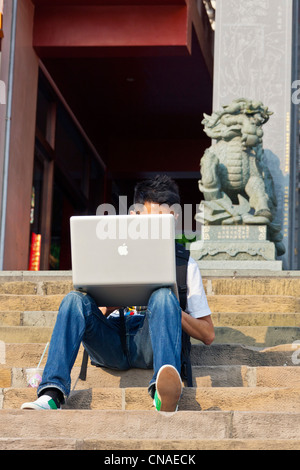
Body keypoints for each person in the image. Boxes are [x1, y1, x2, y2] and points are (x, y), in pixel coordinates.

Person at [21, 175, 214, 412]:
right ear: (134, 217)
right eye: (151, 222)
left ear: (174, 219)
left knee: (164, 296)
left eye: (163, 222)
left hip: (152, 345)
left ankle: (163, 394)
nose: (156, 229)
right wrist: (114, 299)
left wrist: (170, 308)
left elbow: (207, 334)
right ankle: (52, 394)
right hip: (111, 342)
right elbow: (93, 316)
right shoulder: (110, 254)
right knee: (73, 300)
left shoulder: (186, 265)